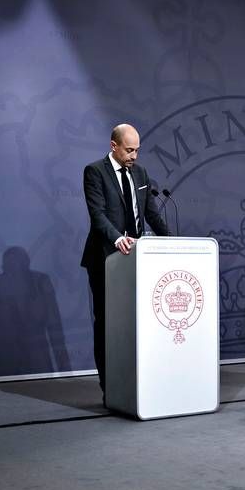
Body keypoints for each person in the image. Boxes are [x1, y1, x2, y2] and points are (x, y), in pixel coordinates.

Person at [80, 123, 169, 396]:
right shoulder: (95, 172)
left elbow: (151, 214)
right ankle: (110, 388)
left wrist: (173, 242)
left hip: (138, 261)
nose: (134, 156)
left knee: (138, 323)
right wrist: (118, 238)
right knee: (108, 323)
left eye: (137, 150)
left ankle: (137, 384)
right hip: (106, 258)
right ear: (113, 146)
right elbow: (98, 216)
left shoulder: (140, 173)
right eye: (129, 150)